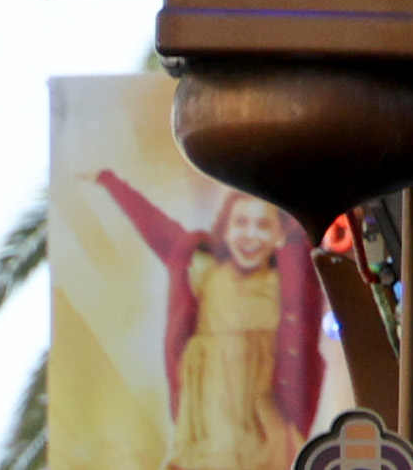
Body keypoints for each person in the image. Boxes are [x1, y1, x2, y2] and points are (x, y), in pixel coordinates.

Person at [96, 168, 330, 470]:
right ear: (226, 229)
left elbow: (318, 228)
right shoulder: (203, 270)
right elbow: (158, 229)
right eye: (241, 223)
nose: (250, 235)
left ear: (279, 234)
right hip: (206, 421)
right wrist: (110, 181)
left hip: (263, 428)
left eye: (263, 225)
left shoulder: (290, 282)